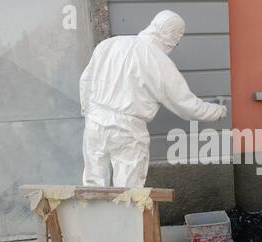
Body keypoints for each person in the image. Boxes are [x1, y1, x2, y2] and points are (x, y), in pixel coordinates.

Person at [80, 10, 227, 188]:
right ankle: (126, 217)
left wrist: (88, 111)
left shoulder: (109, 44)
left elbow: (86, 80)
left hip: (95, 122)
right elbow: (187, 105)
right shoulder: (160, 63)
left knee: (92, 186)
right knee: (129, 192)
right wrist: (218, 111)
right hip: (128, 130)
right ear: (173, 37)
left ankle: (93, 216)